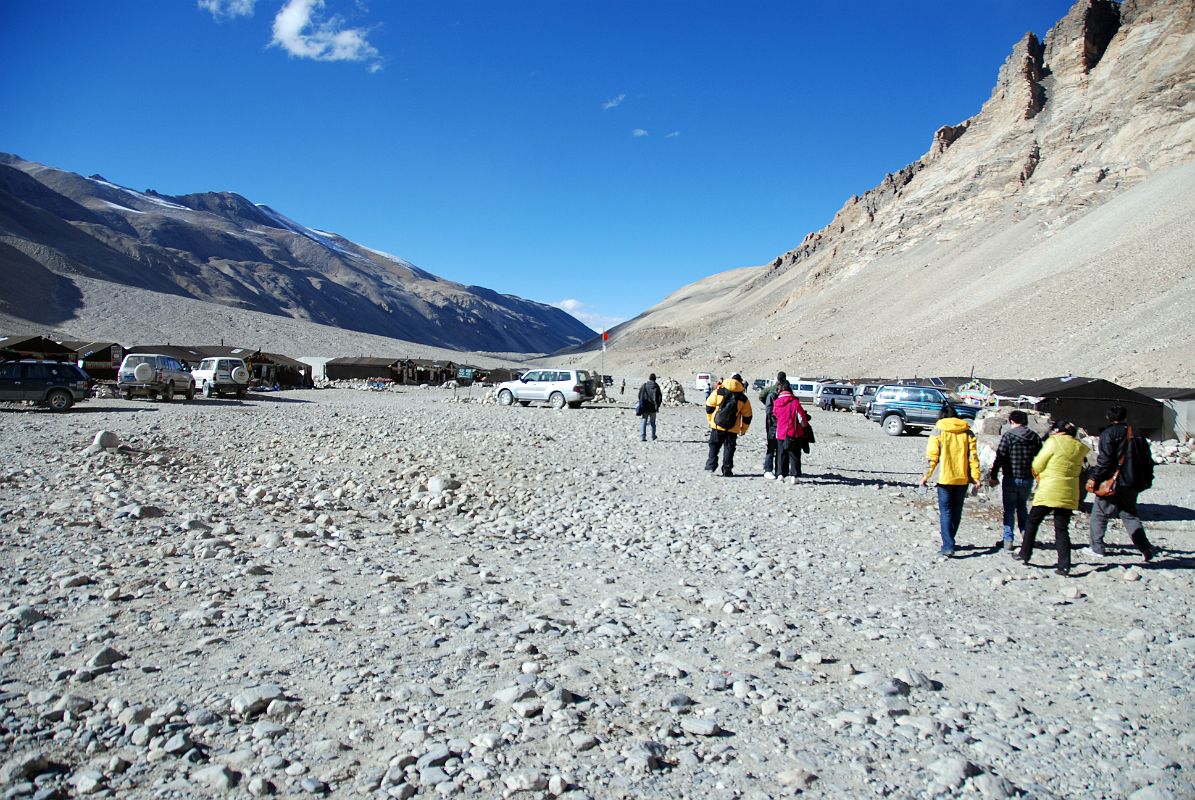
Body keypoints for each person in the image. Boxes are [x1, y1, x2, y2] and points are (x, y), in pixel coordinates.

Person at [1017, 420, 1089, 575]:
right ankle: (1064, 565)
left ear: (1058, 430)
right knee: (1062, 529)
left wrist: (1040, 475)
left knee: (1032, 522)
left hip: (1050, 490)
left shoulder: (1053, 442)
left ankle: (1025, 553)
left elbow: (1037, 464)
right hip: (1069, 492)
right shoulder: (1079, 447)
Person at [1088, 405, 1156, 561]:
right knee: (1130, 515)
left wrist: (1095, 477)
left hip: (1113, 481)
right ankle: (1144, 547)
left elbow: (1105, 461)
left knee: (1099, 514)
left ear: (1108, 418)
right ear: (1125, 417)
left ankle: (1096, 547)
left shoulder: (1108, 434)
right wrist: (1147, 479)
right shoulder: (1138, 434)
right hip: (1134, 481)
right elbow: (1148, 460)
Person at [917, 405, 980, 558]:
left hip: (944, 478)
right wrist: (976, 477)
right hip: (962, 477)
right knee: (957, 511)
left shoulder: (938, 430)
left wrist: (926, 475)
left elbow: (932, 456)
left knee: (945, 511)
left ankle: (948, 545)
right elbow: (973, 457)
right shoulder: (967, 432)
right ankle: (950, 540)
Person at [988, 410, 1043, 552]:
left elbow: (1000, 457)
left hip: (1011, 477)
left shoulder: (1008, 436)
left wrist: (993, 475)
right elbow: (1041, 455)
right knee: (1022, 507)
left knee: (1009, 510)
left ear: (1012, 421)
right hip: (1027, 478)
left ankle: (1008, 540)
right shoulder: (1034, 436)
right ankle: (1026, 537)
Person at [704, 373, 752, 477]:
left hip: (717, 425)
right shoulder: (743, 398)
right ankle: (727, 469)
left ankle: (711, 465)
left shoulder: (719, 391)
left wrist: (710, 420)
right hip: (733, 428)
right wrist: (743, 429)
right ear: (740, 382)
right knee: (729, 449)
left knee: (714, 446)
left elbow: (709, 406)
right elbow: (747, 416)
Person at [771, 380, 809, 484]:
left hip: (781, 433)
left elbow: (775, 416)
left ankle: (780, 474)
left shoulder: (776, 403)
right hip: (794, 433)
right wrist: (804, 427)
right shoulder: (795, 402)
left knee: (781, 454)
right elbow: (801, 419)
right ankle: (794, 476)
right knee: (794, 455)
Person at [760, 370, 787, 479]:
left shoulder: (773, 390)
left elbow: (761, 396)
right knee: (774, 446)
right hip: (774, 422)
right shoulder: (773, 392)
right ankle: (769, 469)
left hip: (775, 422)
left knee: (775, 446)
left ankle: (776, 470)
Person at [637, 373, 663, 442]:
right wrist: (657, 405)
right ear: (655, 379)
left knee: (644, 421)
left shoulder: (644, 385)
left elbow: (640, 395)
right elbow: (660, 397)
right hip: (653, 407)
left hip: (645, 406)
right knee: (652, 422)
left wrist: (641, 403)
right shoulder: (656, 386)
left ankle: (643, 436)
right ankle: (653, 436)